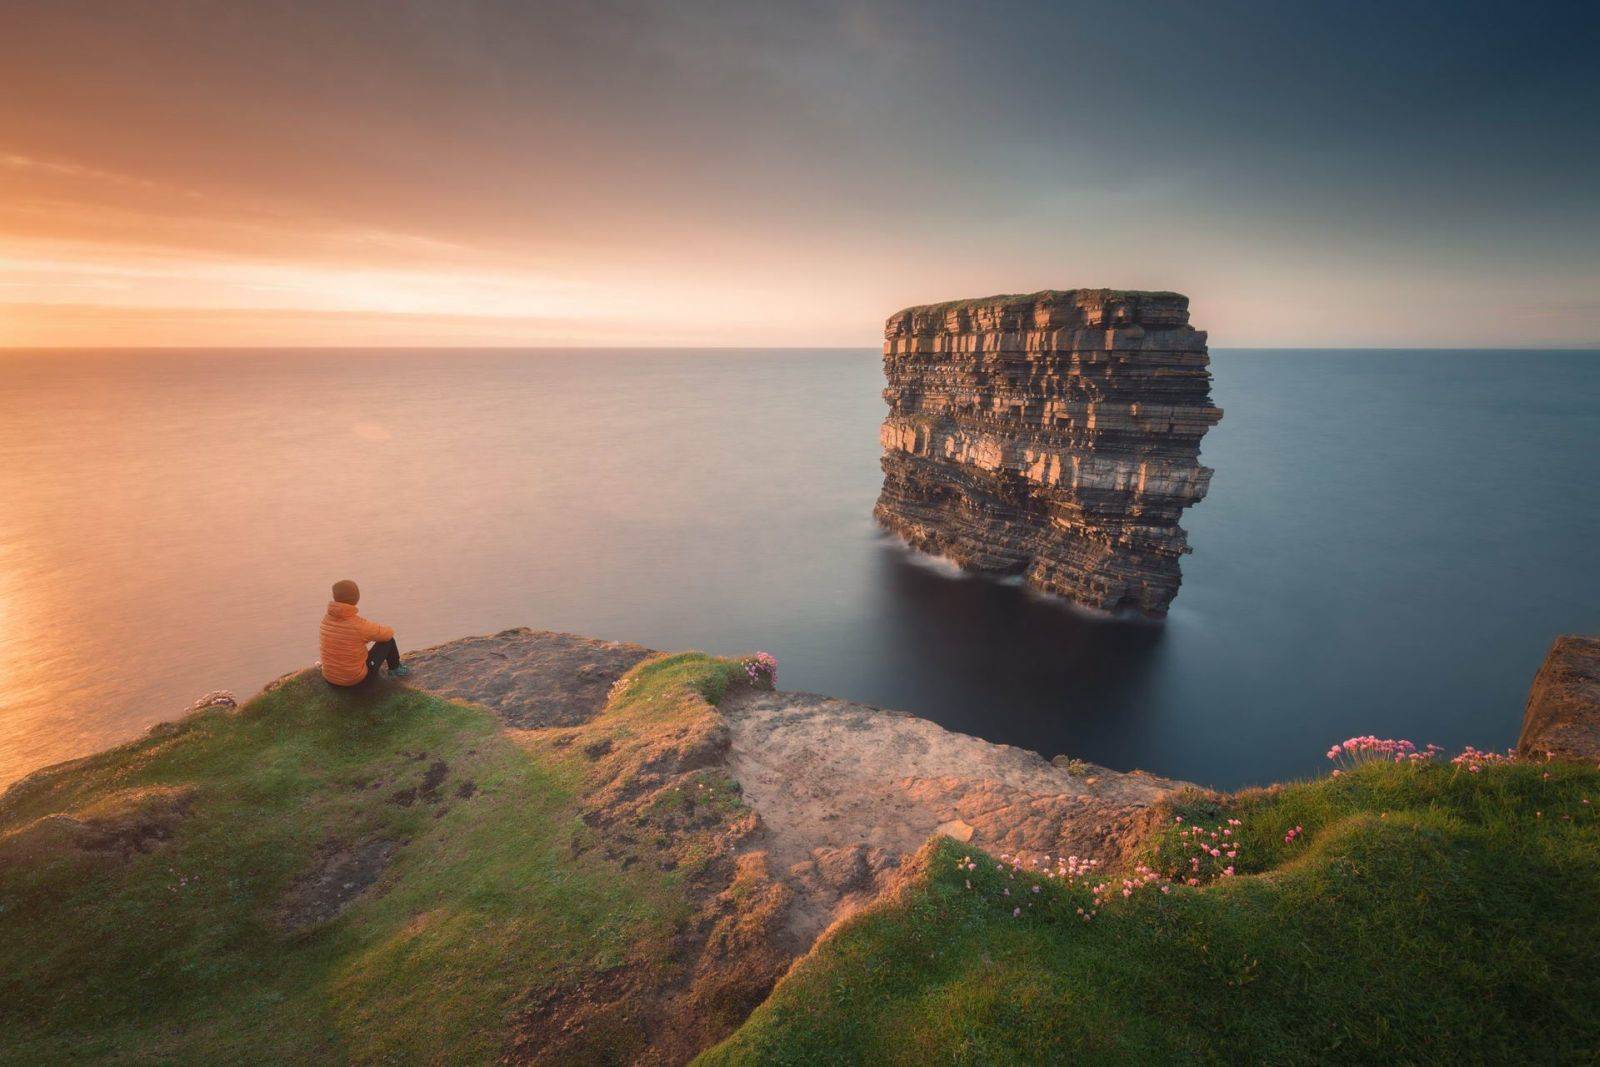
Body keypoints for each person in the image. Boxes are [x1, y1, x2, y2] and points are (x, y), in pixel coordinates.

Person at [319, 579, 409, 685]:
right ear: (357, 598)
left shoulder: (325, 620)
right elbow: (388, 633)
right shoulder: (358, 625)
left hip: (330, 678)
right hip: (355, 680)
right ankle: (395, 669)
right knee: (388, 641)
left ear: (335, 598)